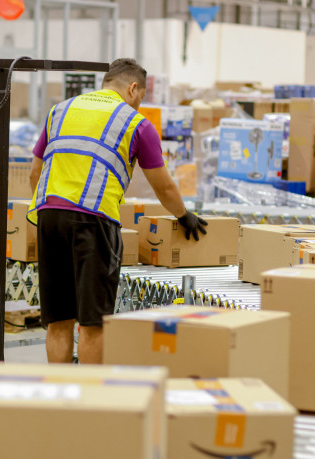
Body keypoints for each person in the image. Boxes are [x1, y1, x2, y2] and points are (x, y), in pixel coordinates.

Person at [26, 58, 207, 364]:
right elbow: (163, 187)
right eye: (141, 98)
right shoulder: (136, 124)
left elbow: (34, 172)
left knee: (58, 322)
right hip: (92, 222)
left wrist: (51, 210)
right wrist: (183, 216)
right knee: (93, 323)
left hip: (48, 215)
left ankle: (57, 391)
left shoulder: (61, 110)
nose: (139, 105)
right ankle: (91, 394)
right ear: (133, 88)